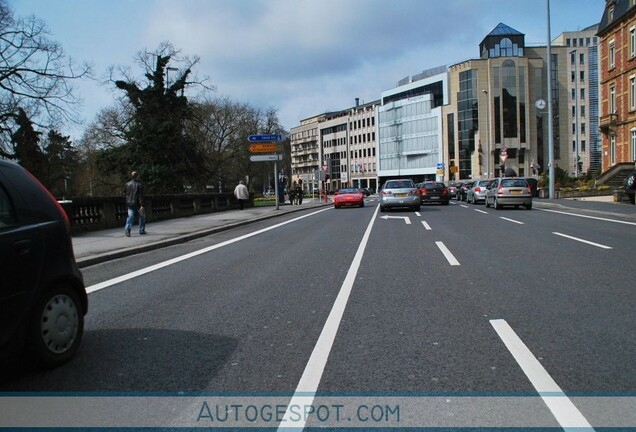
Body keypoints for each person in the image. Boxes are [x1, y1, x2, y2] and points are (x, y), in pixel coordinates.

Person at [123, 171, 145, 237]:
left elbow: (124, 193)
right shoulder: (139, 185)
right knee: (142, 216)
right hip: (137, 204)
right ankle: (141, 230)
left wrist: (127, 202)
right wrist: (142, 205)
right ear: (137, 176)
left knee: (130, 217)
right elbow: (141, 195)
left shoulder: (127, 184)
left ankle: (127, 229)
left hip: (130, 204)